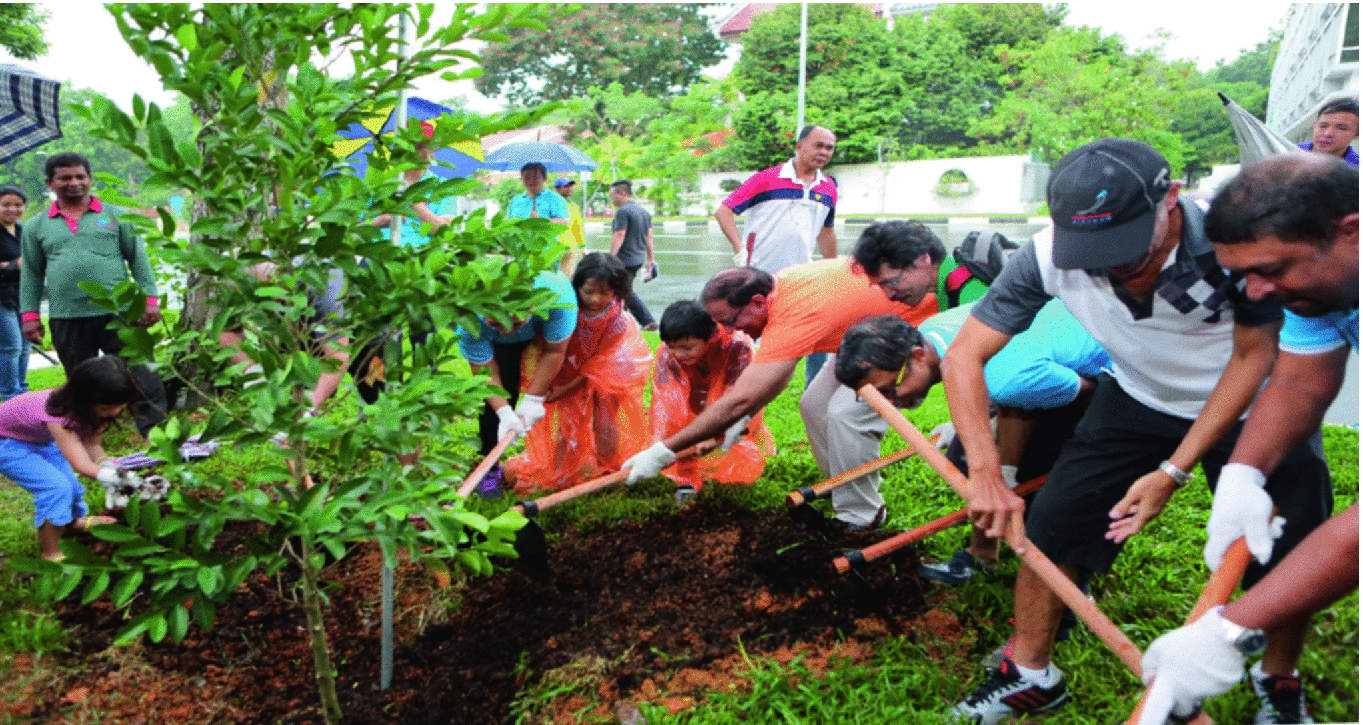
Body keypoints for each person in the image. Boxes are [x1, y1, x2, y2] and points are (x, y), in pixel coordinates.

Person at [941, 138, 1331, 724]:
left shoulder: (1234, 247)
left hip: (1257, 405)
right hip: (1136, 395)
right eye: (1090, 248)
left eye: (1122, 241)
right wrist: (988, 472)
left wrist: (1174, 471)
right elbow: (963, 356)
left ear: (1169, 199)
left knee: (1285, 546)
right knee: (1055, 527)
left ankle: (1277, 677)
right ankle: (1029, 675)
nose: (1109, 262)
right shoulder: (1048, 256)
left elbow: (1253, 359)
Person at [1137, 152, 1358, 725]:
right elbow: (1301, 380)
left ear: (1352, 231)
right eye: (1244, 274)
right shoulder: (1323, 281)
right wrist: (1243, 473)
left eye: (1271, 269)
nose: (1255, 292)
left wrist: (1231, 627)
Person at [621, 221, 941, 531]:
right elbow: (777, 376)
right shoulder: (779, 286)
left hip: (908, 328)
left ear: (757, 302)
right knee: (813, 405)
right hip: (862, 333)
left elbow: (743, 396)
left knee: (847, 414)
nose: (732, 331)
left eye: (732, 320)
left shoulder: (794, 313)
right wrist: (740, 418)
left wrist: (664, 451)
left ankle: (863, 514)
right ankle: (841, 484)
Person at [832, 298, 1110, 585]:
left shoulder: (1007, 376)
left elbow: (1092, 394)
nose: (890, 403)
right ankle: (983, 556)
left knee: (1051, 484)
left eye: (889, 390)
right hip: (1031, 376)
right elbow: (1011, 404)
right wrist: (1004, 474)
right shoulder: (933, 332)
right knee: (967, 459)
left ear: (917, 357)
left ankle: (1070, 575)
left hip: (1110, 375)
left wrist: (1012, 475)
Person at [20, 152, 168, 438]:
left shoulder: (115, 216)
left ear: (90, 179)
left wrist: (149, 300)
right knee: (80, 379)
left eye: (80, 176)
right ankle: (88, 433)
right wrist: (29, 316)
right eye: (65, 178)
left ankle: (157, 432)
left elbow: (138, 259)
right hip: (67, 316)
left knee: (142, 372)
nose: (74, 183)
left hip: (120, 311)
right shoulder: (37, 226)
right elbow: (32, 274)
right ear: (50, 182)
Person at [503, 253, 652, 494]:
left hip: (613, 368)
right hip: (573, 361)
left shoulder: (617, 320)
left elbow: (599, 366)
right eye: (589, 291)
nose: (596, 299)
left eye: (605, 293)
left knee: (606, 415)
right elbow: (550, 346)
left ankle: (610, 468)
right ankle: (561, 468)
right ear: (577, 285)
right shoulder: (566, 308)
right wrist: (557, 385)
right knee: (566, 417)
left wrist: (566, 386)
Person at [715, 124, 840, 385]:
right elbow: (724, 211)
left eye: (829, 147)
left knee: (817, 332)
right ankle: (730, 387)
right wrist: (739, 249)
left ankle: (813, 390)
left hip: (800, 277)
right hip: (758, 274)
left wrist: (833, 271)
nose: (824, 152)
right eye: (818, 145)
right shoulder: (767, 178)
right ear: (799, 146)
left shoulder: (828, 188)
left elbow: (826, 232)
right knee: (745, 336)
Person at [0, 356, 147, 560]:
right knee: (56, 488)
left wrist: (109, 467)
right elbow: (80, 464)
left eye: (120, 407)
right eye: (106, 408)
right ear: (83, 399)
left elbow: (92, 445)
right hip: (6, 443)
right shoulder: (57, 413)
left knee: (71, 485)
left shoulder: (94, 409)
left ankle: (72, 523)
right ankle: (51, 553)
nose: (113, 412)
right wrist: (117, 479)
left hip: (37, 439)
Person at [455, 269, 578, 496]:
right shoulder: (467, 321)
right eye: (496, 322)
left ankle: (568, 460)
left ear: (531, 306)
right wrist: (503, 412)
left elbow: (555, 352)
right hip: (497, 344)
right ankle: (489, 476)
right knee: (496, 403)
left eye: (513, 321)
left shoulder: (557, 298)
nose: (507, 330)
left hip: (543, 328)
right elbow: (485, 372)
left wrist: (533, 400)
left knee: (565, 390)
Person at [650, 300, 775, 505]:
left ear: (711, 337)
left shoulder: (737, 348)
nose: (679, 355)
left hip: (727, 399)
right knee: (679, 427)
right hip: (692, 394)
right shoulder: (667, 354)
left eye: (687, 347)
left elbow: (744, 400)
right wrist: (660, 441)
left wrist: (716, 433)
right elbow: (664, 401)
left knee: (736, 436)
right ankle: (686, 480)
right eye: (673, 347)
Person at [608, 180, 658, 330]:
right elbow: (649, 238)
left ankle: (647, 321)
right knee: (621, 290)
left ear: (622, 193)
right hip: (637, 258)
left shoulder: (623, 211)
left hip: (624, 259)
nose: (611, 198)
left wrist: (610, 257)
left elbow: (619, 234)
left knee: (623, 291)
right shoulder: (643, 212)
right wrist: (651, 259)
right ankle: (621, 322)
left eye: (612, 194)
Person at [0, 185, 30, 399]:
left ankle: (22, 390)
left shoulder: (23, 231)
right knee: (11, 346)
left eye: (18, 204)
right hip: (2, 296)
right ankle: (10, 394)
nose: (13, 209)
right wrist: (13, 265)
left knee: (26, 343)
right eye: (6, 204)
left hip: (24, 294)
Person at [1296, 97, 1358, 168]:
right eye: (1323, 126)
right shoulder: (1286, 154)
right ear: (1315, 126)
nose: (1327, 134)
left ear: (1357, 134)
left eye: (1341, 128)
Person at [506, 162, 570, 224]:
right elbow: (508, 222)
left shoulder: (555, 198)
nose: (531, 181)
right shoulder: (515, 200)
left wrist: (541, 221)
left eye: (535, 177)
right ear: (521, 180)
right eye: (527, 178)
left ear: (545, 178)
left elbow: (565, 222)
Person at [553, 176, 585, 275]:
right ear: (557, 189)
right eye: (566, 186)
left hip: (570, 249)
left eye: (571, 186)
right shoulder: (551, 205)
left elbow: (577, 229)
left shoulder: (574, 206)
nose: (569, 188)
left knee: (566, 279)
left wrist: (583, 247)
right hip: (554, 249)